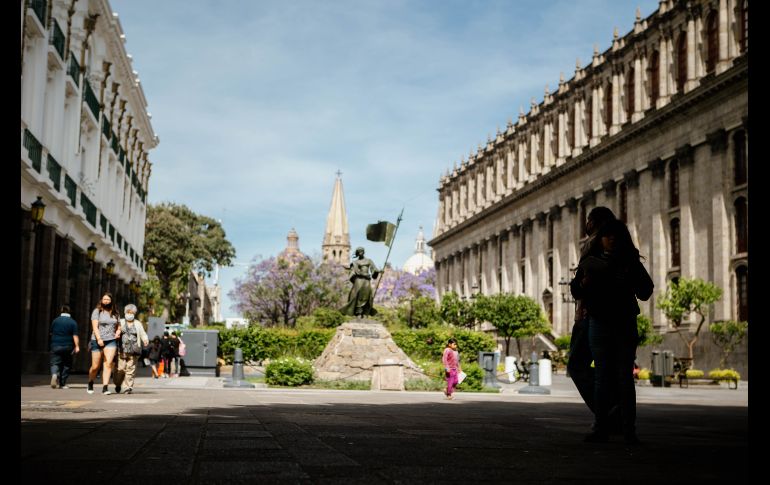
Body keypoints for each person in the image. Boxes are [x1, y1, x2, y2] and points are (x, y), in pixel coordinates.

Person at [571, 218, 654, 444]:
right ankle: (602, 427)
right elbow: (575, 290)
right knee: (602, 377)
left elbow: (646, 290)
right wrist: (583, 284)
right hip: (599, 323)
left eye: (616, 235)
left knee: (624, 377)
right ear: (601, 239)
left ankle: (629, 430)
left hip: (624, 323)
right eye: (608, 235)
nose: (612, 239)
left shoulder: (630, 263)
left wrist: (629, 280)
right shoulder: (590, 262)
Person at [568, 207, 618, 419]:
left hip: (591, 314)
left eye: (588, 220)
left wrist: (579, 293)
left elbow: (581, 284)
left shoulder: (593, 244)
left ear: (595, 222)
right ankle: (614, 409)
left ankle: (607, 410)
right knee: (611, 367)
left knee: (577, 365)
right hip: (616, 315)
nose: (585, 224)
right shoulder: (622, 247)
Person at [87, 293, 121, 395]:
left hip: (111, 340)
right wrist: (99, 339)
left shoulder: (116, 313)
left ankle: (105, 387)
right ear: (101, 300)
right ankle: (90, 382)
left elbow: (118, 326)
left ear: (111, 301)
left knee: (108, 363)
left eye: (108, 299)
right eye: (104, 299)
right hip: (97, 340)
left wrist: (118, 331)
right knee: (95, 366)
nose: (106, 301)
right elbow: (95, 327)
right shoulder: (97, 311)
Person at [114, 304, 149, 394]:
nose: (130, 314)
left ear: (134, 313)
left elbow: (143, 333)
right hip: (121, 350)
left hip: (133, 350)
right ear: (125, 313)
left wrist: (145, 340)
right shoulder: (120, 322)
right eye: (128, 312)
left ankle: (127, 387)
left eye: (132, 313)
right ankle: (118, 383)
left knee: (131, 369)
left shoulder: (137, 323)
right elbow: (115, 331)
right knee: (120, 369)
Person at [339, 247, 380, 318]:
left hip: (366, 280)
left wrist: (377, 271)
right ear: (357, 253)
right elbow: (353, 272)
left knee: (367, 296)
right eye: (359, 252)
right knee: (357, 296)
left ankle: (365, 313)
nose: (361, 253)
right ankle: (358, 313)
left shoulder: (369, 261)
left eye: (362, 251)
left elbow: (374, 269)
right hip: (359, 280)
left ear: (364, 252)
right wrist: (348, 279)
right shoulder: (355, 262)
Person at [49, 305, 80, 389]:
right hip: (68, 346)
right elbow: (75, 336)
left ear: (61, 311)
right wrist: (77, 346)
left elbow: (51, 333)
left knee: (55, 363)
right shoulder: (73, 322)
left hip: (55, 345)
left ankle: (55, 374)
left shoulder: (55, 321)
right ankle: (62, 383)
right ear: (70, 312)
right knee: (67, 364)